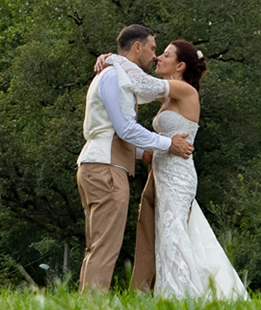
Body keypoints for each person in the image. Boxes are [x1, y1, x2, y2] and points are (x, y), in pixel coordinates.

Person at [77, 24, 187, 291]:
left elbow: (113, 132)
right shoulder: (114, 76)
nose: (154, 56)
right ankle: (92, 306)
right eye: (152, 48)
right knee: (105, 246)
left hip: (95, 165)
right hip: (106, 170)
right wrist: (167, 144)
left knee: (97, 245)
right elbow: (126, 128)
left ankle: (85, 304)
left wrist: (144, 153)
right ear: (137, 47)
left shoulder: (113, 75)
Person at [142, 39, 248, 300]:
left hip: (178, 174)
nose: (158, 58)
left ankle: (179, 296)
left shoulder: (185, 90)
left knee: (173, 232)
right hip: (163, 173)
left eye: (165, 55)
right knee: (170, 232)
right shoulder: (170, 96)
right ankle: (181, 291)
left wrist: (114, 60)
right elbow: (136, 92)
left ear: (180, 65)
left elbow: (141, 85)